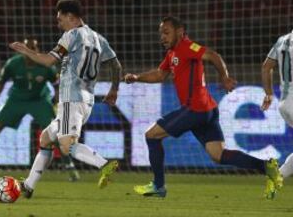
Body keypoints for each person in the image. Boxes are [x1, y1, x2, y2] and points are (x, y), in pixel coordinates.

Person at [124, 16, 283, 198]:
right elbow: (160, 74)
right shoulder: (172, 54)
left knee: (151, 136)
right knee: (218, 154)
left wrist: (224, 77)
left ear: (180, 31)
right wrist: (137, 78)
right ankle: (266, 166)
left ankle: (158, 186)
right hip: (207, 110)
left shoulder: (187, 47)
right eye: (161, 33)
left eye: (166, 33)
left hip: (195, 109)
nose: (162, 37)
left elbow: (213, 55)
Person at [9, 0, 122, 198]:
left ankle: (104, 164)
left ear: (71, 17)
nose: (58, 23)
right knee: (45, 138)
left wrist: (25, 51)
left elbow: (48, 60)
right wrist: (114, 89)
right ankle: (28, 186)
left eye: (60, 18)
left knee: (67, 145)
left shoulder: (70, 35)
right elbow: (116, 65)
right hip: (87, 100)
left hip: (72, 97)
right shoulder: (98, 38)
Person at [0, 37, 80, 182]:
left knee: (54, 134)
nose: (29, 51)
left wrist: (56, 104)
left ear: (37, 50)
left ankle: (69, 166)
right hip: (17, 100)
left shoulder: (47, 66)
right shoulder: (13, 64)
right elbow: (1, 82)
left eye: (32, 48)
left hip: (39, 101)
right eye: (26, 48)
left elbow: (57, 86)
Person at [261, 30, 293, 199]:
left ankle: (276, 177)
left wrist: (268, 94)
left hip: (284, 103)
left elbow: (266, 67)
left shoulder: (282, 40)